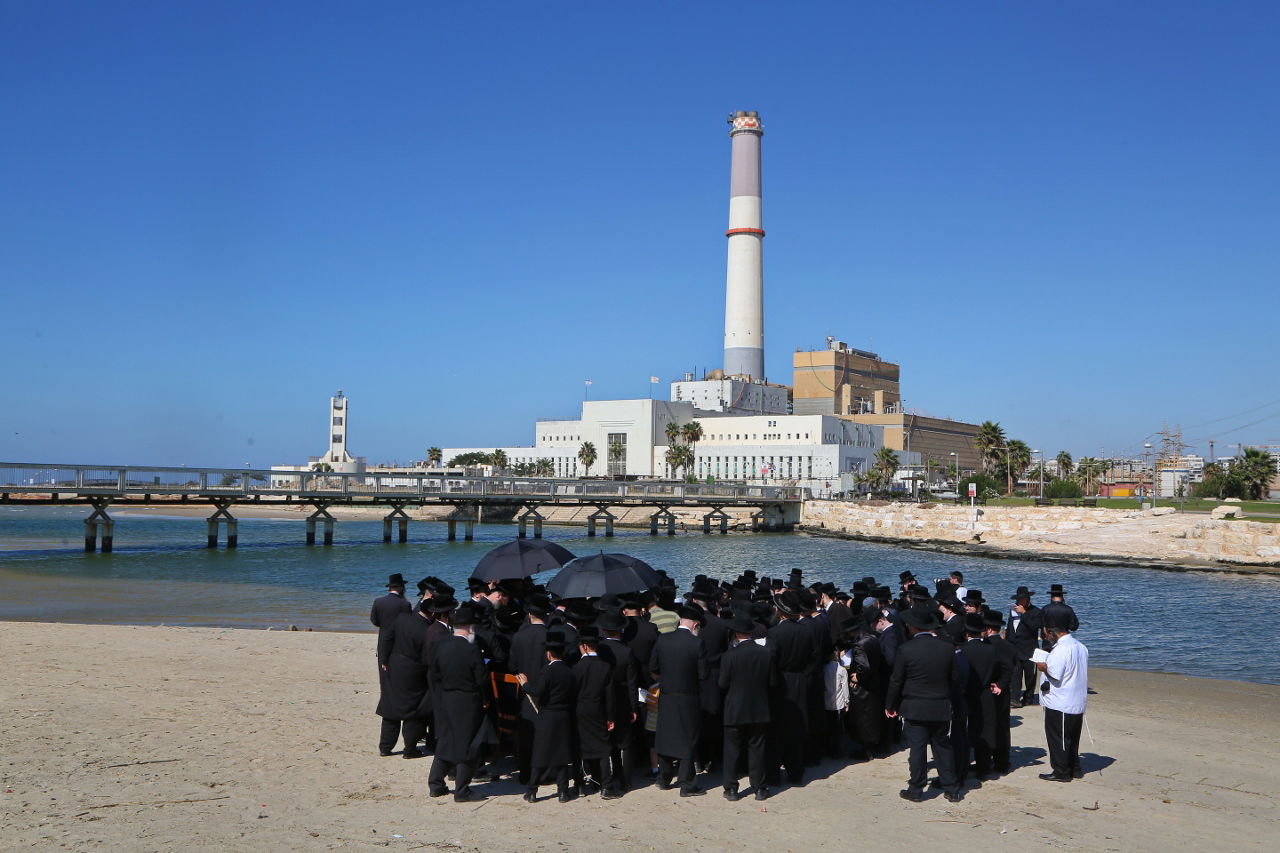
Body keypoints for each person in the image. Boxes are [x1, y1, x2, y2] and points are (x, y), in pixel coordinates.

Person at [884, 607, 963, 803]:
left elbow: (896, 680)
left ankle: (916, 788)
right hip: (940, 705)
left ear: (913, 627)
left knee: (917, 749)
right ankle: (952, 788)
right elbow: (955, 679)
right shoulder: (947, 648)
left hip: (915, 706)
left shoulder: (906, 649)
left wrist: (890, 704)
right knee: (942, 747)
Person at [376, 593, 454, 760]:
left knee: (390, 709)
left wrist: (385, 660)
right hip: (414, 671)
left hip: (395, 665)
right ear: (432, 613)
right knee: (414, 711)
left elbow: (387, 638)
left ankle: (385, 747)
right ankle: (409, 749)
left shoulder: (402, 618)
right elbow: (427, 658)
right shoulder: (426, 630)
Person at [427, 601, 490, 802]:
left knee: (446, 740)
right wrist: (485, 699)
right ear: (470, 627)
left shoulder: (441, 644)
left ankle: (436, 784)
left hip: (445, 698)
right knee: (468, 745)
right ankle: (462, 790)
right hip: (467, 701)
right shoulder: (472, 650)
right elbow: (481, 680)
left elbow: (433, 672)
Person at [649, 602, 708, 796]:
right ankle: (687, 783)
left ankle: (664, 778)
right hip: (689, 696)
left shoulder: (663, 639)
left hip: (667, 695)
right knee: (688, 738)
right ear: (695, 624)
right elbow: (703, 674)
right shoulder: (697, 643)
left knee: (665, 736)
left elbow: (653, 667)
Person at [718, 609, 775, 801]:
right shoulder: (766, 653)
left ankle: (731, 789)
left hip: (735, 708)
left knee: (732, 750)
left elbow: (722, 683)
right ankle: (759, 788)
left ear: (736, 633)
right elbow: (773, 681)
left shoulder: (729, 656)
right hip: (759, 707)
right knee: (757, 749)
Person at [517, 627, 579, 803]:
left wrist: (525, 684)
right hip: (563, 715)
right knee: (561, 754)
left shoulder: (547, 671)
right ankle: (563, 791)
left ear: (549, 654)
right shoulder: (569, 671)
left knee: (540, 753)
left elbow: (537, 691)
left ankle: (532, 791)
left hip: (548, 715)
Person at [1035, 611, 1089, 782]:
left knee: (1058, 738)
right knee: (1072, 737)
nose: (1046, 636)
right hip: (1076, 700)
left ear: (1052, 631)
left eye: (1046, 632)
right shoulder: (1080, 646)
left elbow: (1055, 674)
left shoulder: (1061, 649)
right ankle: (1074, 767)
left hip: (1061, 702)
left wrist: (1043, 667)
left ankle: (1061, 771)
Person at [509, 593, 551, 787]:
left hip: (525, 688)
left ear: (529, 614)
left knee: (526, 733)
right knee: (545, 733)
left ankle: (525, 773)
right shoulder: (550, 635)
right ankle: (544, 773)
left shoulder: (519, 636)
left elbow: (512, 665)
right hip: (545, 688)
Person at [597, 607, 639, 797]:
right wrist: (634, 706)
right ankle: (625, 780)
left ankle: (608, 777)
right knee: (625, 742)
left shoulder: (600, 649)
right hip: (622, 698)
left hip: (602, 698)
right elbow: (632, 683)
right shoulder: (626, 651)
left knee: (607, 740)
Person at [371, 573, 411, 755]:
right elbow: (409, 624)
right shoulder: (405, 604)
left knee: (385, 682)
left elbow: (375, 621)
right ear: (401, 587)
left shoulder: (379, 602)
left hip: (383, 645)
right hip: (399, 647)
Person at [572, 626, 614, 797]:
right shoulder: (605, 667)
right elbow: (609, 695)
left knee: (579, 747)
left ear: (583, 646)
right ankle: (606, 785)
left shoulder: (576, 668)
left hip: (580, 709)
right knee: (603, 747)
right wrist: (610, 717)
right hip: (598, 708)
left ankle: (580, 785)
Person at [1007, 586, 1044, 707]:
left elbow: (1036, 626)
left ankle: (1028, 698)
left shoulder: (1036, 611)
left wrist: (1024, 614)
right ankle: (1015, 698)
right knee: (1015, 674)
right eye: (1018, 600)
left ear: (1028, 599)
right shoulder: (1012, 611)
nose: (1019, 602)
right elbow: (1010, 629)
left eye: (1022, 599)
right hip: (1014, 648)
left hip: (1029, 649)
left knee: (1030, 677)